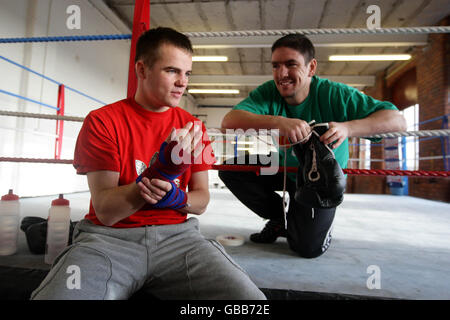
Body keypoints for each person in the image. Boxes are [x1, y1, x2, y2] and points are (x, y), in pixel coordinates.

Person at [31, 27, 266, 300]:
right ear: (142, 70)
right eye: (172, 71)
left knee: (250, 301)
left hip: (179, 240)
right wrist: (161, 172)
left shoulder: (192, 128)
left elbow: (201, 202)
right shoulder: (103, 121)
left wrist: (177, 199)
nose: (182, 82)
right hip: (109, 239)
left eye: (187, 73)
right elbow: (107, 211)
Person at [219, 34, 406, 259]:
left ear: (311, 67)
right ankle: (280, 219)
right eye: (276, 66)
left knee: (306, 249)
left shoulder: (335, 94)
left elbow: (398, 121)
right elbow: (229, 122)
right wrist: (279, 122)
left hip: (320, 179)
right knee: (231, 170)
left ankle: (307, 225)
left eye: (291, 64)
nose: (281, 74)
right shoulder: (269, 92)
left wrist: (348, 128)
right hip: (284, 167)